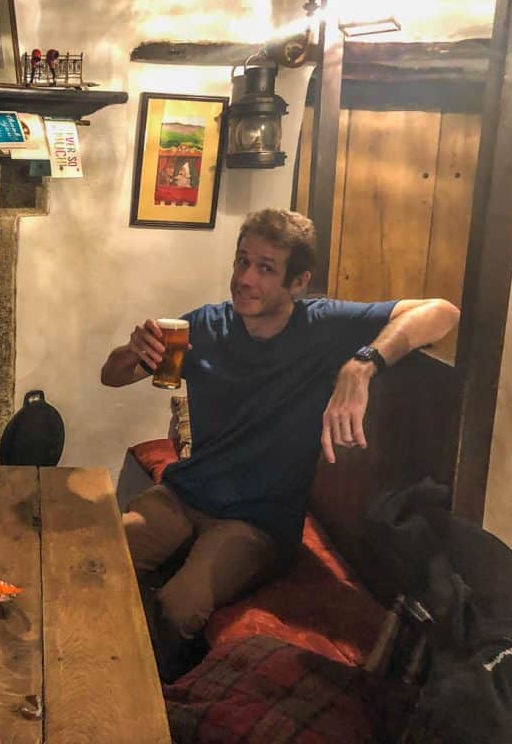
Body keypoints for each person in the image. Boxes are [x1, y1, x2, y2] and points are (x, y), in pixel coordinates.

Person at [100, 208, 460, 680]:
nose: (245, 278)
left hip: (257, 521)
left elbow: (442, 312)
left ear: (297, 282)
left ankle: (148, 699)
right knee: (100, 554)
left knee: (178, 605)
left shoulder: (323, 325)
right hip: (184, 493)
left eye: (265, 268)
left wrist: (365, 362)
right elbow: (112, 377)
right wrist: (133, 350)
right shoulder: (203, 327)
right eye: (242, 261)